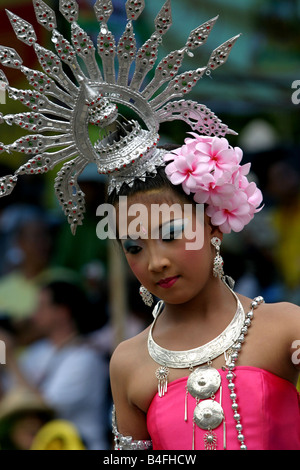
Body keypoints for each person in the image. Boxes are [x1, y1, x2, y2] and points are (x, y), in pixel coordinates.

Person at [109, 136, 300, 451]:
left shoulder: (285, 327)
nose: (156, 262)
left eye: (171, 235)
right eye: (134, 248)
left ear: (213, 227)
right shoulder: (128, 363)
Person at [0, 280, 110, 450]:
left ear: (62, 312)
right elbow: (9, 398)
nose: (33, 314)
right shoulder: (37, 351)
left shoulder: (86, 359)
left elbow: (42, 409)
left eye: (41, 306)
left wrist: (10, 359)